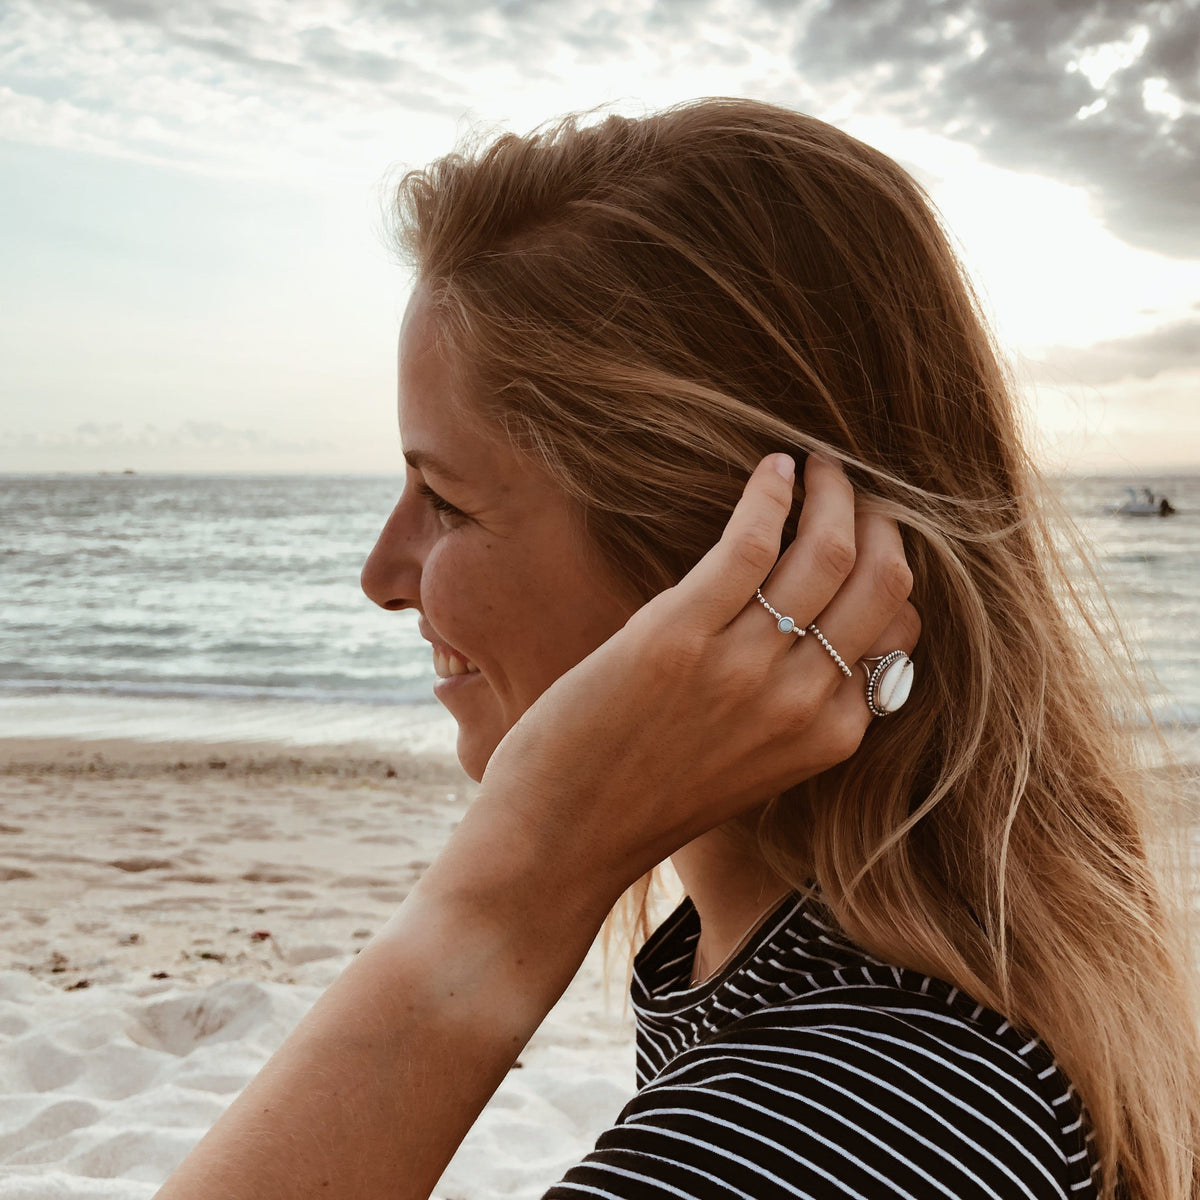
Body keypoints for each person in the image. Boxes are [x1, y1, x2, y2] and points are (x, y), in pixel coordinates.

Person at [156, 99, 1200, 1199]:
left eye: (446, 501)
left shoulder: (863, 1112)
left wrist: (510, 890)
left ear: (744, 556)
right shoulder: (796, 986)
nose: (381, 574)